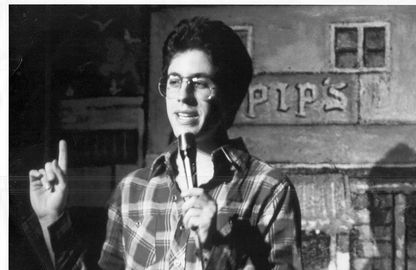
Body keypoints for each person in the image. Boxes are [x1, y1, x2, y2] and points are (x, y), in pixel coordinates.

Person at [27, 17, 303, 269]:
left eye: (200, 83)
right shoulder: (131, 190)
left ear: (229, 92)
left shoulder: (269, 189)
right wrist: (52, 218)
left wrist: (215, 247)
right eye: (174, 81)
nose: (184, 95)